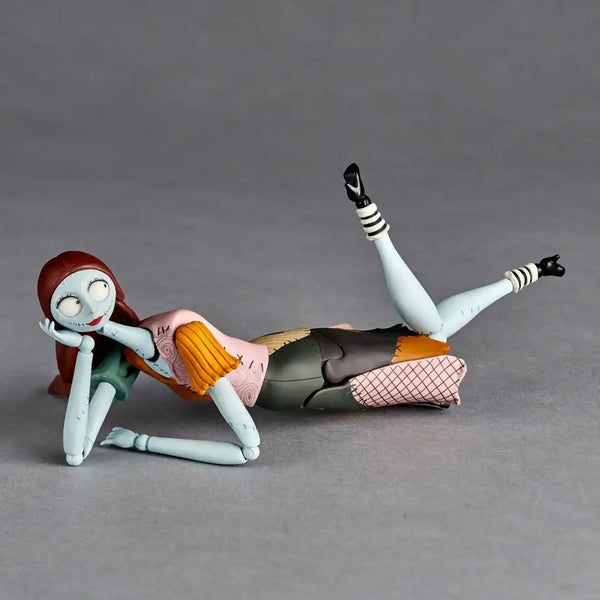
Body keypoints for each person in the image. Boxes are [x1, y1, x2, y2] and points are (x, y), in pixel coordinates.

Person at [37, 163, 565, 467]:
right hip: (289, 358)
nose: (90, 307)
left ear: (113, 286)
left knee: (429, 336)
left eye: (95, 288)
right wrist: (83, 353)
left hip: (299, 370)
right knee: (428, 330)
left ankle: (381, 225)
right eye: (71, 304)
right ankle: (520, 272)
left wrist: (144, 442)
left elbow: (248, 448)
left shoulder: (176, 329)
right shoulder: (121, 356)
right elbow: (76, 452)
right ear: (57, 318)